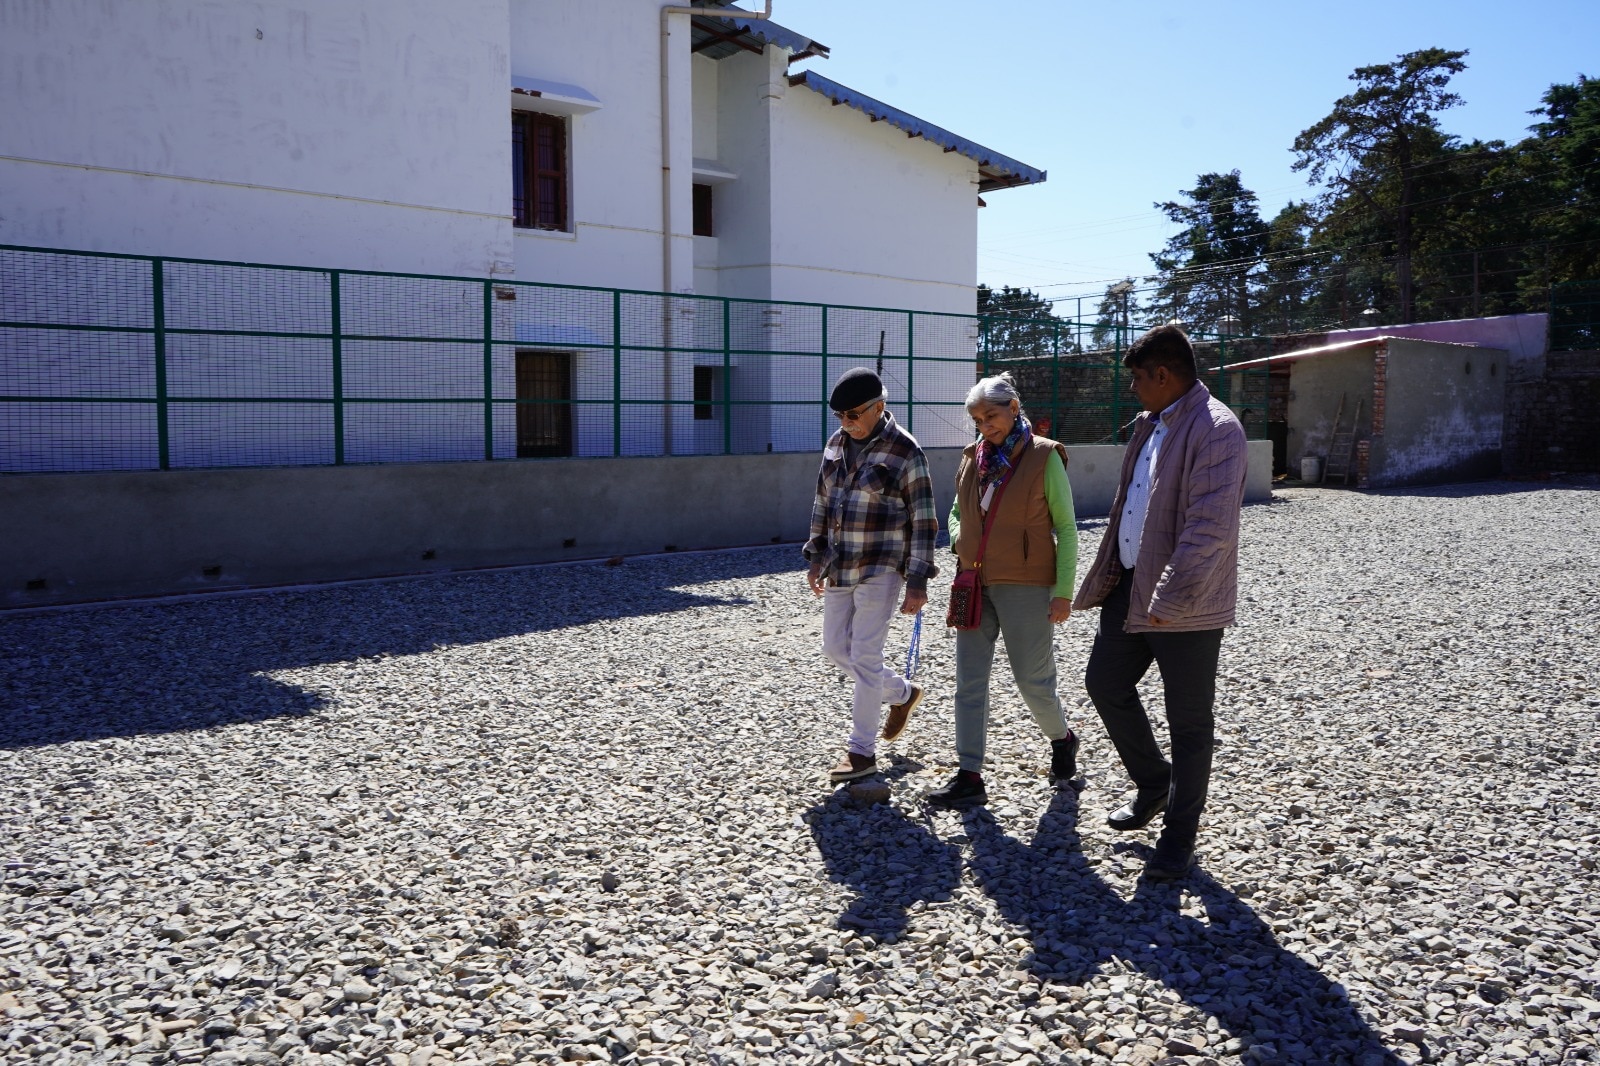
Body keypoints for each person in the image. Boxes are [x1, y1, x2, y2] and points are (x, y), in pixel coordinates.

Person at [1072, 325, 1247, 880]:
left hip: (1183, 604)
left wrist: (1168, 598)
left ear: (1163, 376)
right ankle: (1153, 784)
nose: (1133, 390)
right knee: (1105, 683)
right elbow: (1131, 507)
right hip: (1130, 588)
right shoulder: (1150, 424)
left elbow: (1209, 529)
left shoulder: (1218, 429)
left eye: (1137, 379)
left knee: (1189, 724)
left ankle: (1178, 838)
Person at [926, 372, 1080, 809]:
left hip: (1027, 584)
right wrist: (959, 539)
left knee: (1033, 681)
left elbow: (1066, 529)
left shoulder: (1044, 457)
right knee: (968, 683)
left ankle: (1062, 738)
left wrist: (1062, 592)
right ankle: (970, 774)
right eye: (977, 419)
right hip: (973, 580)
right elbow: (957, 509)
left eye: (990, 416)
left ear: (1014, 409)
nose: (984, 426)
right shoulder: (972, 457)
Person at [804, 368, 939, 783]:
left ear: (879, 407)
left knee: (864, 656)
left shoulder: (906, 451)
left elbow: (924, 520)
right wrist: (815, 554)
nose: (845, 421)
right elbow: (823, 501)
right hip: (840, 564)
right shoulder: (835, 444)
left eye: (852, 413)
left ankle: (861, 753)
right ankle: (902, 693)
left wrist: (917, 579)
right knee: (833, 650)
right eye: (839, 415)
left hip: (882, 565)